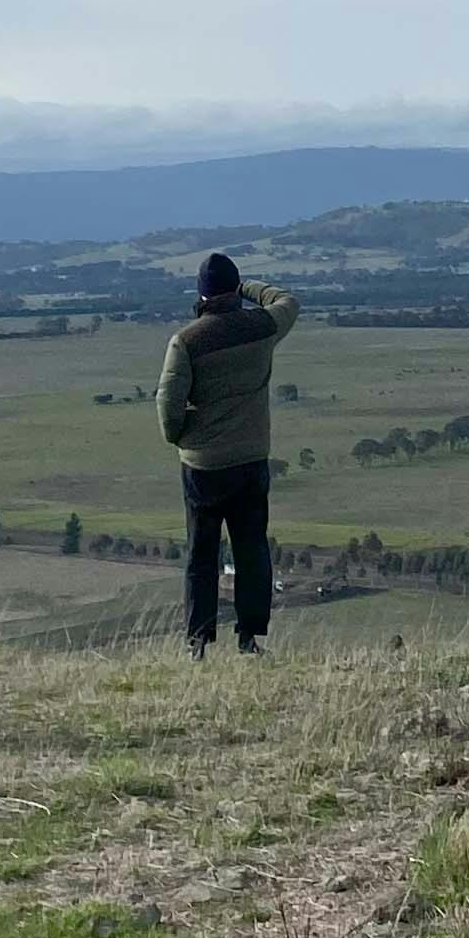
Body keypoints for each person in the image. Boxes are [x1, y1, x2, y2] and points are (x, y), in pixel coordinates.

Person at [157, 249, 300, 658]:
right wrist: (246, 287)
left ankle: (198, 643)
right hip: (251, 459)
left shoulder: (186, 341)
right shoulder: (262, 327)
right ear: (235, 289)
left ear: (201, 295)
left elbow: (168, 404)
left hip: (203, 465)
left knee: (201, 554)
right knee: (251, 549)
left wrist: (180, 436)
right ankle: (249, 639)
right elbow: (287, 301)